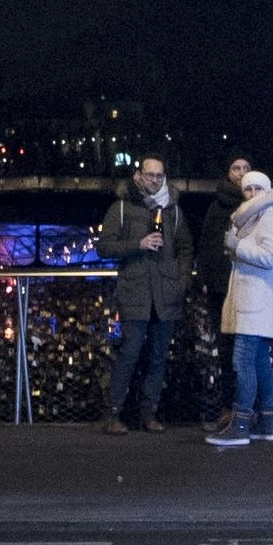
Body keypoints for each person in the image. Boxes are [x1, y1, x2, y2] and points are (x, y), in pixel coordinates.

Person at [92, 156, 195, 432]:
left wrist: (180, 280)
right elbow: (104, 247)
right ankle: (113, 414)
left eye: (159, 176)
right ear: (138, 175)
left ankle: (148, 414)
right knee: (130, 352)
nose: (154, 180)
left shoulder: (172, 211)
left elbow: (185, 248)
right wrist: (138, 244)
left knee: (158, 355)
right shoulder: (121, 208)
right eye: (150, 175)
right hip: (135, 292)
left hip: (165, 293)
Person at [209, 170, 273, 447]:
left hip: (255, 302)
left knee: (242, 362)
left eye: (259, 188)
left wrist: (238, 246)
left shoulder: (269, 215)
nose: (253, 193)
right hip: (256, 301)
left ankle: (241, 425)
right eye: (248, 189)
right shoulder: (255, 216)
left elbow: (271, 256)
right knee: (259, 363)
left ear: (267, 191)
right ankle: (267, 422)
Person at [194, 155, 252, 437]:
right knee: (228, 350)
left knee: (246, 352)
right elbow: (206, 247)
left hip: (248, 287)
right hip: (221, 287)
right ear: (228, 173)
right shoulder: (217, 208)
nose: (240, 174)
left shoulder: (256, 205)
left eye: (245, 169)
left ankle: (244, 409)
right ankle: (230, 409)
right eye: (236, 168)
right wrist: (205, 280)